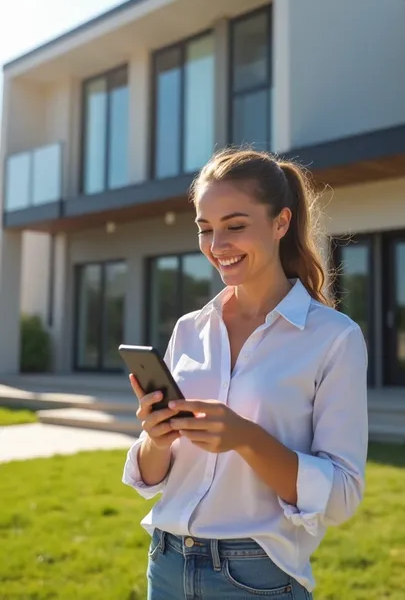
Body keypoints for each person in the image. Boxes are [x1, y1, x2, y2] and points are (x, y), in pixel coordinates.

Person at [122, 147, 368, 600]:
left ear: (281, 222)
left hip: (255, 578)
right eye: (205, 229)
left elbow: (342, 497)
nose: (217, 247)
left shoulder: (333, 338)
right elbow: (154, 476)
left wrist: (246, 439)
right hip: (167, 564)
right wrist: (156, 438)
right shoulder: (189, 329)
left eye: (235, 226)